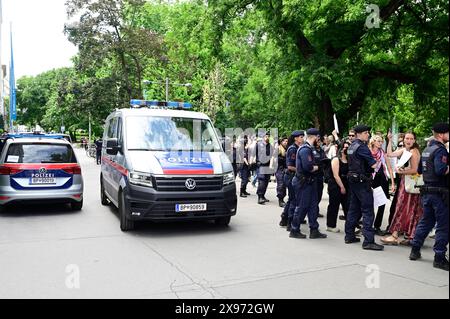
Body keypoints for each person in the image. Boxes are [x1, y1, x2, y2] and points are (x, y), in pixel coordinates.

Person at [409, 123, 449, 271]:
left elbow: (419, 169)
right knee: (443, 226)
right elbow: (441, 170)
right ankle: (439, 257)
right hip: (440, 193)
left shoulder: (426, 149)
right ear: (441, 135)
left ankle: (415, 250)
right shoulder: (440, 150)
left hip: (427, 192)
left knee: (426, 222)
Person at [345, 124, 384, 250]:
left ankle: (349, 235)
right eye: (366, 133)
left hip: (354, 180)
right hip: (362, 181)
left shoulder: (352, 146)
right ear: (360, 134)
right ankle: (368, 240)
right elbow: (373, 165)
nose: (368, 135)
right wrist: (380, 160)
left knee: (353, 208)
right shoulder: (362, 147)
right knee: (368, 211)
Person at [381, 131, 423, 245]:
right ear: (403, 139)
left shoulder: (414, 152)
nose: (408, 141)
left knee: (406, 208)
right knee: (403, 208)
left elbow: (414, 170)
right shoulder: (405, 150)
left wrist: (401, 172)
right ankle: (403, 235)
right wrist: (389, 140)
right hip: (406, 183)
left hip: (411, 184)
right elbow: (390, 154)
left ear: (414, 140)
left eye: (411, 139)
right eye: (407, 138)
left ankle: (398, 235)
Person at [289, 128, 327, 239]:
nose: (319, 140)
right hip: (303, 181)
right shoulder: (305, 149)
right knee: (302, 206)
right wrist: (318, 167)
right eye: (318, 138)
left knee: (313, 206)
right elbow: (308, 167)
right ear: (314, 137)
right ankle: (294, 229)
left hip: (310, 181)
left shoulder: (311, 148)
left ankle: (314, 229)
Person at [369, 134, 395, 235]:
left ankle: (377, 226)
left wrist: (392, 182)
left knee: (382, 203)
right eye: (378, 141)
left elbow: (389, 168)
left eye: (381, 141)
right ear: (373, 142)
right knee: (370, 202)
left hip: (382, 179)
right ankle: (368, 225)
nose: (380, 143)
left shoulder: (383, 154)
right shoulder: (368, 152)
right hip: (372, 179)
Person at [279, 130, 304, 229]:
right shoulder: (293, 149)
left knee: (291, 199)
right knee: (294, 200)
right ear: (296, 138)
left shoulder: (298, 147)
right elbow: (290, 166)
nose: (303, 138)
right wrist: (303, 169)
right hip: (291, 176)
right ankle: (290, 222)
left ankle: (284, 218)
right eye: (301, 137)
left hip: (293, 176)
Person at [326, 140, 350, 233]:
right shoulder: (336, 159)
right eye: (344, 147)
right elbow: (336, 175)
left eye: (348, 147)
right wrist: (342, 187)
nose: (346, 149)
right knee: (334, 205)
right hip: (335, 184)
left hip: (346, 183)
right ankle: (331, 225)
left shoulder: (349, 159)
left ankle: (350, 226)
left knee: (347, 205)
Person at [256, 132, 274, 205]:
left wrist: (271, 165)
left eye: (268, 136)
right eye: (265, 136)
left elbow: (272, 156)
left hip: (267, 165)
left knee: (266, 181)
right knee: (262, 180)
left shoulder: (270, 146)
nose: (267, 137)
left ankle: (263, 195)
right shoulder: (258, 145)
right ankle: (260, 197)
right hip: (261, 165)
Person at [314, 137, 328, 218]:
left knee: (319, 193)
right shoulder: (311, 149)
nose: (319, 143)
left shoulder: (321, 150)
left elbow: (324, 159)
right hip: (313, 175)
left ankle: (316, 209)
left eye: (320, 141)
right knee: (313, 194)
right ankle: (313, 211)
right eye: (317, 141)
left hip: (320, 175)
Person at [276, 137, 288, 207]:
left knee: (284, 185)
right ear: (281, 142)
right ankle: (280, 200)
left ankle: (282, 199)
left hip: (285, 169)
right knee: (281, 185)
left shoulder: (286, 149)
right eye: (285, 141)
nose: (286, 143)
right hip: (279, 169)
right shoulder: (278, 149)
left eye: (287, 141)